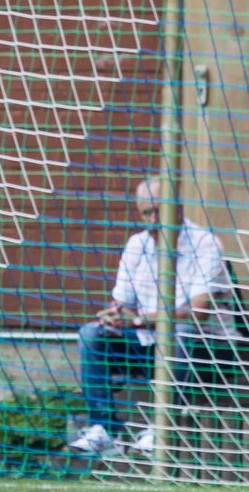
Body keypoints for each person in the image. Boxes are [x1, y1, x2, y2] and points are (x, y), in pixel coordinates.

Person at [69, 177, 238, 456]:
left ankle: (161, 426)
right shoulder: (137, 245)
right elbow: (121, 303)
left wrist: (137, 320)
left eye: (160, 210)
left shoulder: (206, 244)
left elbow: (198, 312)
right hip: (151, 343)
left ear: (179, 208)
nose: (154, 218)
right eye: (147, 212)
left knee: (182, 328)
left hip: (208, 351)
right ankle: (103, 428)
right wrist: (113, 317)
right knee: (92, 334)